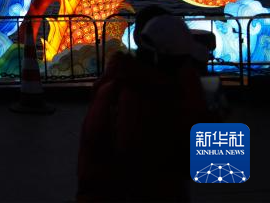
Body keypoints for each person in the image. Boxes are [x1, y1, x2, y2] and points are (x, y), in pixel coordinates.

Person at [77, 11, 215, 202]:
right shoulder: (139, 96)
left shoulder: (117, 81)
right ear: (162, 59)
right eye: (180, 61)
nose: (184, 67)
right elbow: (194, 160)